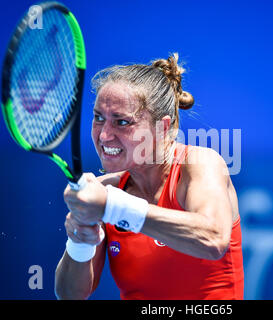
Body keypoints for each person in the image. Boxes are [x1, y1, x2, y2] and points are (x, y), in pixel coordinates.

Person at [54, 53, 244, 300]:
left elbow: (213, 239)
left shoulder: (199, 164)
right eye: (99, 118)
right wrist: (79, 242)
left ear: (162, 127)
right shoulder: (106, 193)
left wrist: (113, 207)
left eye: (122, 122)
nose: (103, 136)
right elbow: (70, 295)